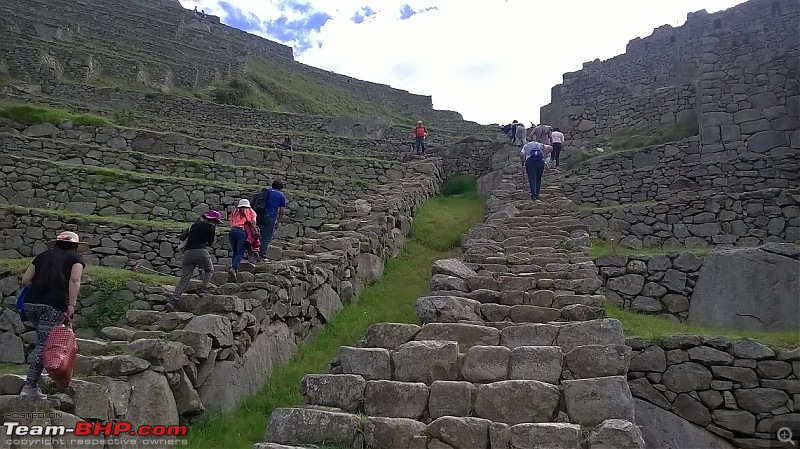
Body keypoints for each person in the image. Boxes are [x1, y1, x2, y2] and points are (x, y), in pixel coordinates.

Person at [19, 231, 87, 399]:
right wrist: (71, 304)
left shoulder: (42, 256)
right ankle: (30, 386)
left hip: (31, 303)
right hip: (54, 305)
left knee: (43, 340)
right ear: (76, 246)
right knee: (44, 344)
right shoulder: (77, 259)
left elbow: (26, 279)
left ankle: (36, 376)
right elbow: (74, 280)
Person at [166, 210, 222, 312]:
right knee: (209, 270)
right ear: (213, 220)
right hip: (201, 251)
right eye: (216, 222)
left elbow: (182, 236)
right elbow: (210, 242)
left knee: (184, 278)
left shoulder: (193, 225)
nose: (216, 224)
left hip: (188, 253)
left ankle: (173, 301)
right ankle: (203, 289)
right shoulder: (211, 227)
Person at [253, 181, 287, 259]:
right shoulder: (281, 195)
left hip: (259, 215)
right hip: (270, 216)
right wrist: (278, 222)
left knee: (258, 235)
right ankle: (261, 255)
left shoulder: (266, 191)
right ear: (281, 188)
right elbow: (282, 211)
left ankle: (253, 252)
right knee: (266, 237)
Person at [228, 199, 258, 279]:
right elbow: (253, 223)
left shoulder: (235, 212)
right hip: (243, 231)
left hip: (232, 231)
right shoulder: (251, 212)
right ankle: (234, 268)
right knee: (240, 253)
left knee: (235, 251)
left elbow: (231, 222)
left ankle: (233, 265)